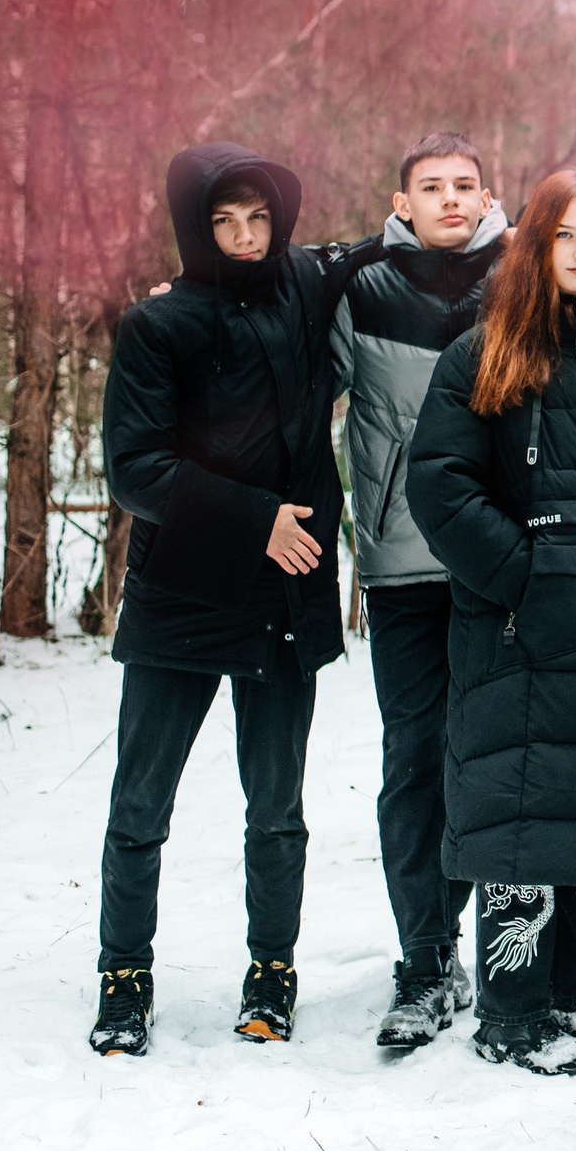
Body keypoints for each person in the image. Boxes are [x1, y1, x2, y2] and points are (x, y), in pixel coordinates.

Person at [91, 144, 367, 1054]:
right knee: (141, 805)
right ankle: (124, 976)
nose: (247, 237)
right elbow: (134, 469)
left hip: (284, 594)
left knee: (277, 810)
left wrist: (495, 232)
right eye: (224, 221)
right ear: (193, 226)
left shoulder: (303, 284)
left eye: (259, 218)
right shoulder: (157, 325)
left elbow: (387, 251)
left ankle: (272, 971)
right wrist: (254, 520)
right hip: (183, 590)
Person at [406, 169, 576, 1075]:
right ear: (534, 247)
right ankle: (513, 1010)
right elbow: (439, 485)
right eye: (565, 237)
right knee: (521, 806)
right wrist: (523, 574)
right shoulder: (482, 353)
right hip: (517, 631)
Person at [335, 131, 510, 1047]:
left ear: (487, 195)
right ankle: (425, 958)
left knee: (495, 759)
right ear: (401, 203)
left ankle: (510, 950)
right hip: (403, 564)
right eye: (431, 186)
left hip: (501, 560)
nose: (450, 198)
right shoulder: (359, 286)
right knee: (413, 761)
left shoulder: (525, 275)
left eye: (464, 184)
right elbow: (280, 360)